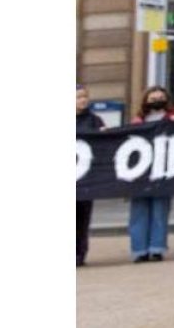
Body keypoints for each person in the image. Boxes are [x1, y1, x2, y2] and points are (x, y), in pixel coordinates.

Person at [128, 86, 174, 263]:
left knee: (160, 210)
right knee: (139, 211)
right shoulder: (137, 122)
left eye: (160, 97)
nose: (157, 100)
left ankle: (157, 248)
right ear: (146, 101)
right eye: (153, 98)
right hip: (140, 172)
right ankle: (139, 249)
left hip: (163, 170)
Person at [76, 84, 105, 267]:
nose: (83, 100)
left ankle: (79, 253)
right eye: (78, 97)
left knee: (82, 217)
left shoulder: (95, 120)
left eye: (85, 96)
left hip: (86, 176)